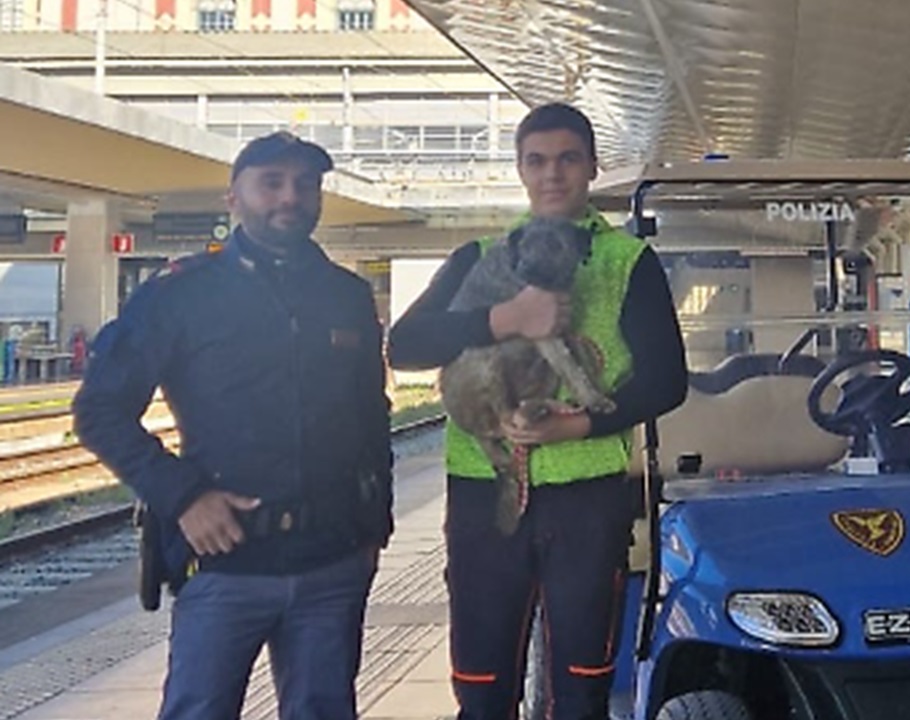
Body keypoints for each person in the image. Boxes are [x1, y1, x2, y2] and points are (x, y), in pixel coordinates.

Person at [73, 131, 393, 720]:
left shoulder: (346, 297)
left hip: (332, 563)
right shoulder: (180, 296)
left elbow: (372, 417)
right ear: (234, 199)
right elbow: (99, 410)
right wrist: (183, 496)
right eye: (271, 182)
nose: (289, 197)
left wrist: (377, 527)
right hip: (226, 563)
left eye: (305, 184)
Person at [387, 102, 687, 720]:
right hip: (482, 495)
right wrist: (504, 319)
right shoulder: (478, 257)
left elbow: (666, 382)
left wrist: (572, 425)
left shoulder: (628, 262)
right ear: (521, 170)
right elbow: (405, 346)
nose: (553, 174)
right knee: (481, 683)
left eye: (568, 159)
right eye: (538, 161)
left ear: (592, 167)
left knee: (581, 688)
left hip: (586, 498)